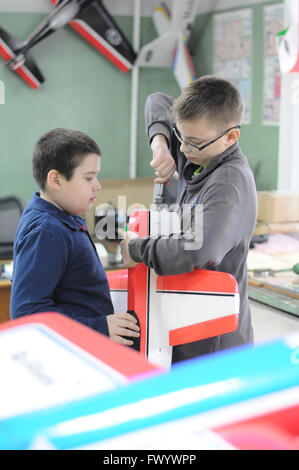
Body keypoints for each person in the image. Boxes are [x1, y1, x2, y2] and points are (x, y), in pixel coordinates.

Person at [121, 75, 257, 363]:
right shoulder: (199, 156)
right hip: (186, 328)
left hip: (216, 344)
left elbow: (198, 249)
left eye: (193, 142)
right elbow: (157, 99)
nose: (182, 149)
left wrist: (138, 249)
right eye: (180, 137)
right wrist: (160, 144)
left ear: (231, 137)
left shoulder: (227, 184)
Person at [10, 128, 139, 347]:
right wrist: (100, 328)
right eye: (89, 178)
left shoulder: (65, 216)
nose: (97, 185)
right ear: (56, 180)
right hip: (74, 354)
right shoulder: (46, 231)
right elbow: (27, 312)